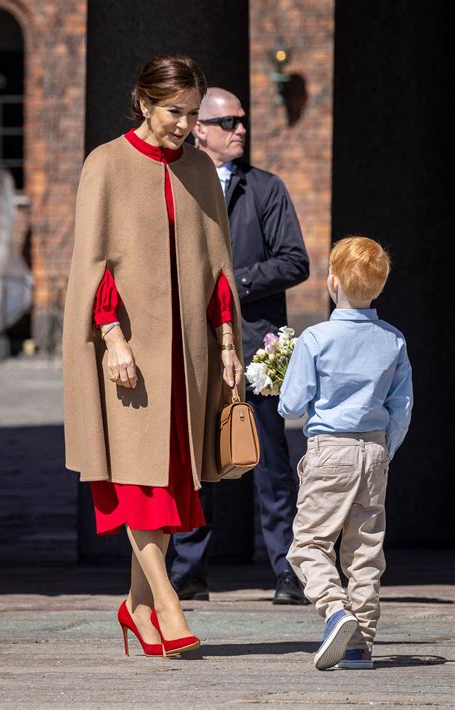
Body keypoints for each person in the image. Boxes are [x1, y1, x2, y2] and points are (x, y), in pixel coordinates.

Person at [62, 55, 245, 658]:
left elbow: (217, 268)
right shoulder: (106, 164)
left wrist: (225, 347)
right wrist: (111, 341)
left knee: (170, 485)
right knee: (138, 483)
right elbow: (94, 265)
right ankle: (167, 603)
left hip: (186, 358)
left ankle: (135, 607)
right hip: (129, 355)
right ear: (143, 102)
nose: (186, 125)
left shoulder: (198, 167)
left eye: (193, 114)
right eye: (175, 112)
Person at [168, 88, 310, 605]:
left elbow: (296, 261)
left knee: (270, 462)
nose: (240, 130)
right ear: (198, 129)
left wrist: (234, 282)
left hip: (255, 348)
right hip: (195, 344)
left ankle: (288, 570)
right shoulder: (180, 183)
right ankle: (189, 569)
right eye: (228, 122)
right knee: (193, 459)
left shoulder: (266, 189)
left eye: (242, 121)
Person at [278, 236, 413, 670]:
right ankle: (360, 645)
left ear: (332, 281)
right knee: (365, 551)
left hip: (329, 451)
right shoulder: (393, 341)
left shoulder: (316, 338)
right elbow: (402, 408)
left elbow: (292, 404)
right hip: (375, 450)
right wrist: (385, 449)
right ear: (379, 287)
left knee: (308, 544)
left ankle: (336, 610)